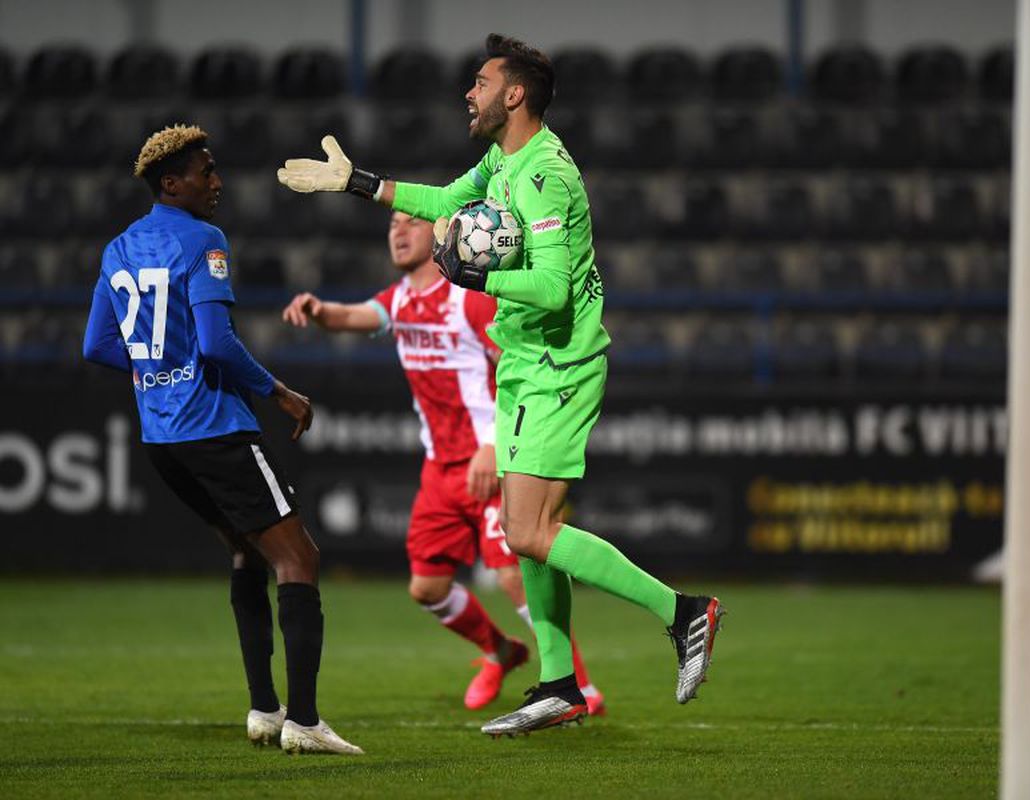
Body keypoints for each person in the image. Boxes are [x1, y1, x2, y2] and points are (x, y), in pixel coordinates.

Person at [276, 33, 723, 737]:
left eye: (480, 83)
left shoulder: (545, 172)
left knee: (530, 531)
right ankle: (559, 684)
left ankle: (683, 612)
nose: (469, 92)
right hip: (521, 365)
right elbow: (444, 200)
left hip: (559, 367)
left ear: (513, 95)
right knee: (527, 537)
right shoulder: (501, 160)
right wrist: (359, 182)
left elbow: (549, 288)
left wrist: (471, 272)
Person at [83, 124, 361, 755]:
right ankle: (307, 722)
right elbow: (215, 343)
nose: (217, 182)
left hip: (161, 437)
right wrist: (281, 393)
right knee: (300, 559)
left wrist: (156, 365)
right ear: (172, 183)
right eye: (205, 172)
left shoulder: (119, 247)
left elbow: (96, 345)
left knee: (245, 551)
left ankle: (265, 709)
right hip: (214, 427)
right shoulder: (204, 238)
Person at [279, 210, 605, 715]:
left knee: (516, 575)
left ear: (443, 234)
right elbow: (356, 316)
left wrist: (497, 444)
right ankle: (500, 651)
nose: (397, 230)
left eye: (411, 222)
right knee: (427, 588)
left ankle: (577, 685)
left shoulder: (469, 300)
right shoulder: (402, 300)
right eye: (391, 224)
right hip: (440, 470)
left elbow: (521, 368)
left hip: (493, 461)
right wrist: (319, 310)